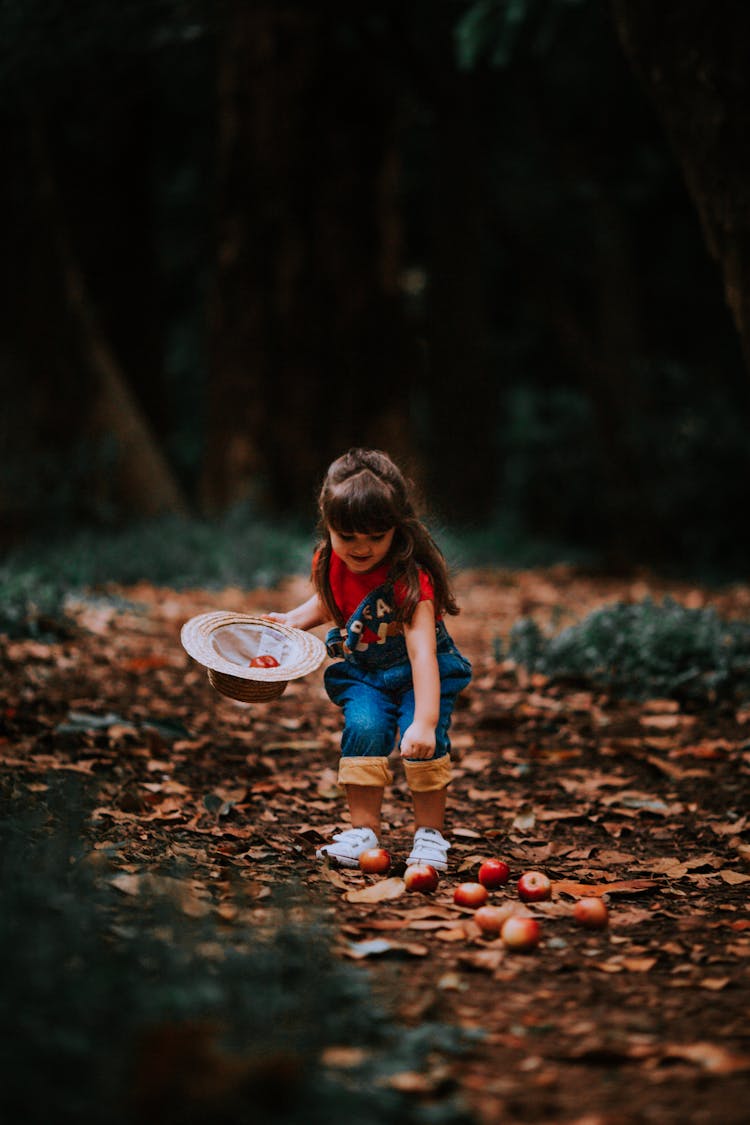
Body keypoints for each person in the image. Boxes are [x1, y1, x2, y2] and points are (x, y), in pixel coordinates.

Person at [266, 448, 472, 872]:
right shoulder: (328, 560)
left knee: (423, 748)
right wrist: (290, 621)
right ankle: (363, 832)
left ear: (397, 527)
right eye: (348, 537)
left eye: (376, 538)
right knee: (363, 730)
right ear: (328, 525)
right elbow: (331, 604)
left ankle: (430, 835)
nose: (361, 549)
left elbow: (421, 650)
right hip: (364, 674)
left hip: (419, 674)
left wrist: (426, 721)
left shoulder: (409, 576)